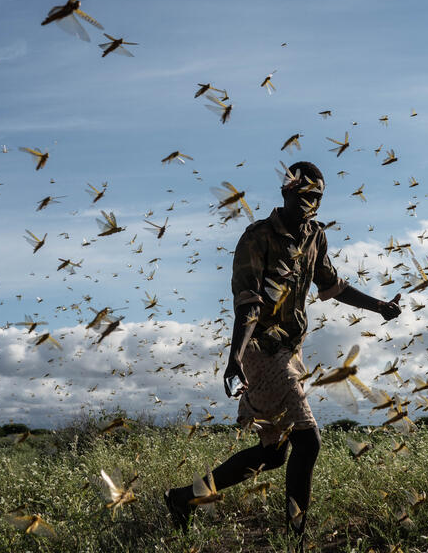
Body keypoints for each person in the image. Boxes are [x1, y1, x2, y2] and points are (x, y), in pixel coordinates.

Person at [164, 161, 401, 546]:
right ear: (287, 192)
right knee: (309, 441)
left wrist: (379, 307)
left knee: (274, 454)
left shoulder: (315, 236)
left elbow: (333, 285)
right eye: (306, 195)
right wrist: (235, 356)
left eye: (318, 198)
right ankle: (296, 539)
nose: (312, 203)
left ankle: (181, 498)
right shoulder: (257, 237)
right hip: (259, 349)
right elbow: (248, 304)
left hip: (290, 349)